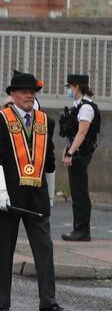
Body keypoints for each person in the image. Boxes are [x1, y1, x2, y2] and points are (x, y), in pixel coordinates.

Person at [0, 71, 74, 311]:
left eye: (32, 91)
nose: (29, 95)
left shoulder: (47, 122)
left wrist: (52, 196)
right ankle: (2, 304)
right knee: (5, 249)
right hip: (9, 196)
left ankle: (48, 304)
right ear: (13, 95)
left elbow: (48, 163)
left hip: (37, 196)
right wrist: (0, 191)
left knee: (45, 248)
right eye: (24, 91)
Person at [60, 73, 100, 242]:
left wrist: (71, 152)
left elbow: (82, 132)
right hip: (76, 151)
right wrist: (66, 150)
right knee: (77, 193)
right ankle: (79, 229)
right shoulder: (78, 106)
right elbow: (73, 133)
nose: (69, 90)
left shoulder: (86, 107)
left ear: (76, 87)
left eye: (69, 87)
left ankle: (82, 231)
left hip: (81, 153)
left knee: (80, 193)